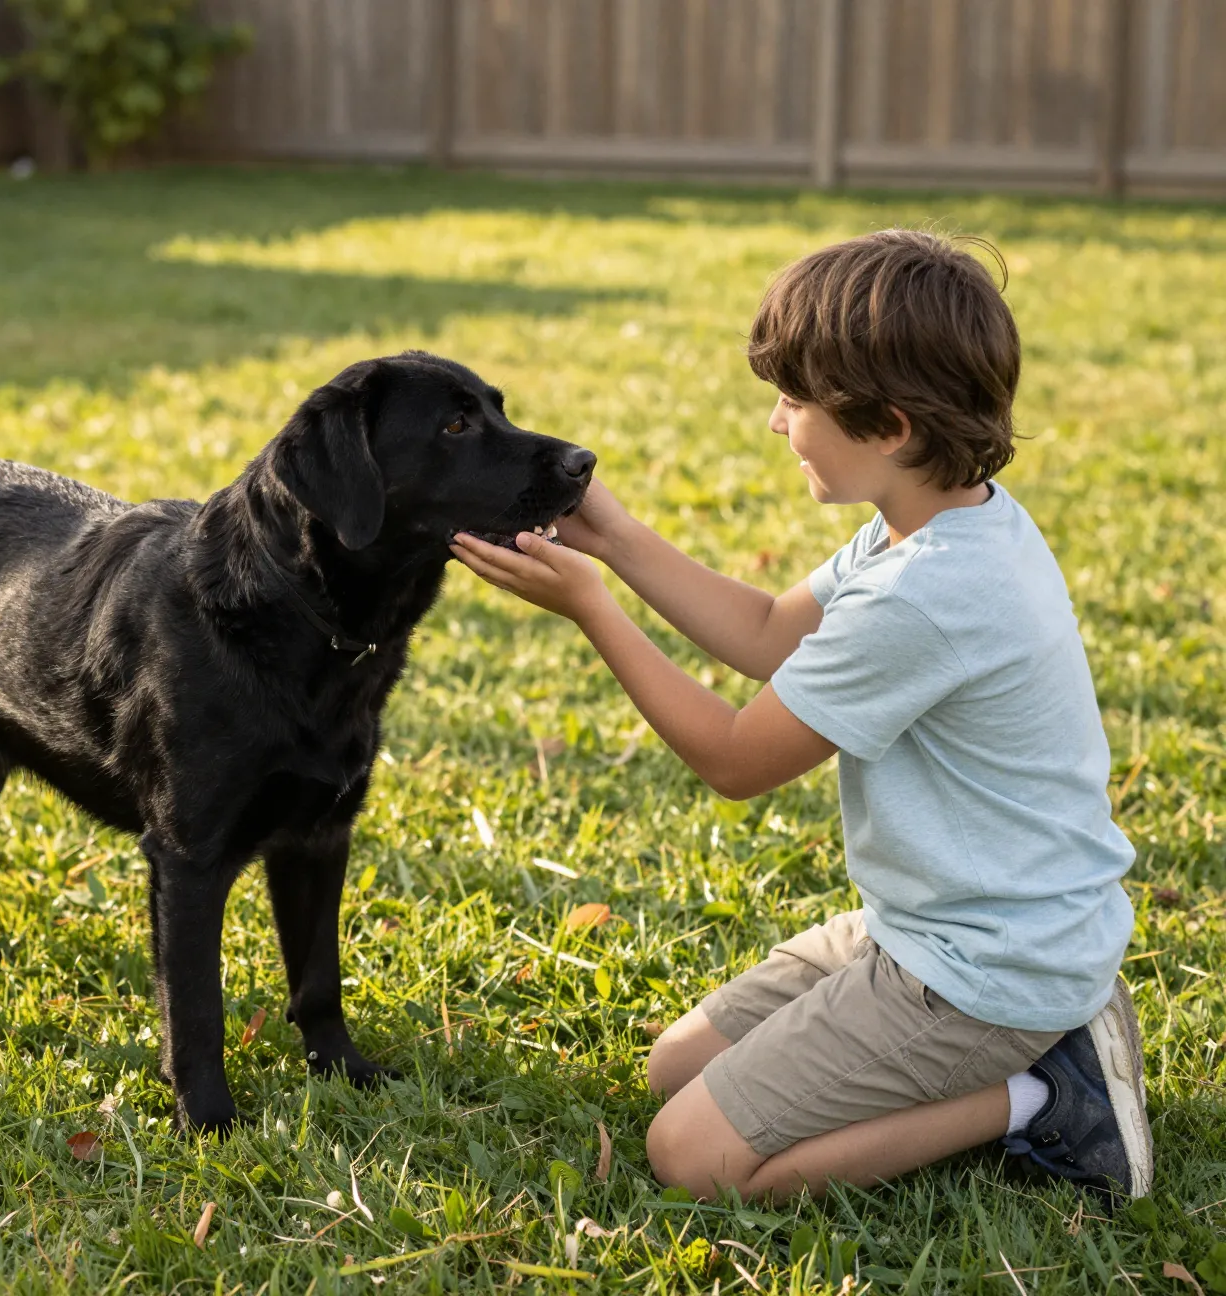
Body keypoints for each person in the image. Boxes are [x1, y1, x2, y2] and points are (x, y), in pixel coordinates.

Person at [450, 229, 1152, 1203]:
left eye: (795, 401)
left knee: (692, 1159)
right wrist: (612, 537)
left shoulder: (933, 593)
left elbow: (736, 760)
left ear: (892, 426)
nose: (778, 425)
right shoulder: (939, 519)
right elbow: (776, 635)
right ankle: (1044, 1040)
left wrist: (591, 610)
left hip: (987, 966)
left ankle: (1044, 1091)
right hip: (941, 925)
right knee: (673, 1070)